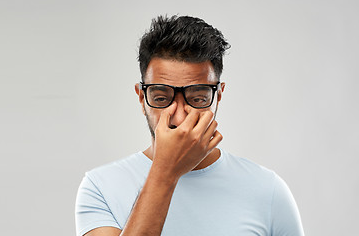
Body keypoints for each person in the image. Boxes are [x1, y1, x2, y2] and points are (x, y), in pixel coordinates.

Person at [75, 15, 305, 236]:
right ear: (140, 97)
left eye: (197, 98)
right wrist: (166, 171)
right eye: (161, 98)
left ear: (219, 95)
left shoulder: (267, 189)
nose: (178, 118)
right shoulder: (100, 187)